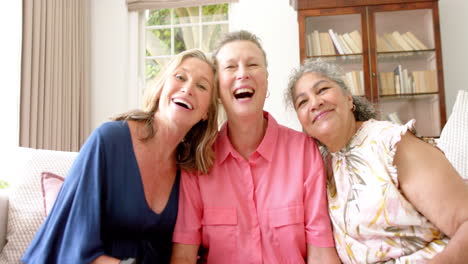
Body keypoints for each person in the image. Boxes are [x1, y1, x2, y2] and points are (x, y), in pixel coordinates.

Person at [21, 49, 219, 264]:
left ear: (207, 112)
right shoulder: (109, 140)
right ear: (162, 87)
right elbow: (73, 245)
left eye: (201, 86)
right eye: (180, 77)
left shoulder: (189, 170)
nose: (188, 88)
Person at [171, 30, 340, 264]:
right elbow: (184, 256)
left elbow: (321, 252)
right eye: (230, 67)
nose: (243, 74)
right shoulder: (198, 161)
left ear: (267, 81)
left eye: (252, 65)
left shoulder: (303, 152)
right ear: (217, 90)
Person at [286, 59, 468, 263]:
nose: (315, 103)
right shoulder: (319, 168)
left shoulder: (390, 143)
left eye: (322, 89)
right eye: (302, 102)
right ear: (302, 123)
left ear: (348, 99)